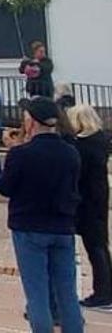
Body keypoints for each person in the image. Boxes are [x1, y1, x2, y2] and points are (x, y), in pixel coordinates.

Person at [0, 97, 82, 333]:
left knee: (37, 294)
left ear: (31, 123)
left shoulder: (22, 154)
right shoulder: (71, 153)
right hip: (62, 226)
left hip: (30, 226)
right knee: (67, 293)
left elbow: (4, 187)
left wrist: (12, 152)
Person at [67, 103, 111, 310]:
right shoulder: (100, 139)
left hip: (87, 199)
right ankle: (106, 289)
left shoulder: (83, 146)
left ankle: (103, 293)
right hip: (98, 195)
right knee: (99, 244)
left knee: (95, 246)